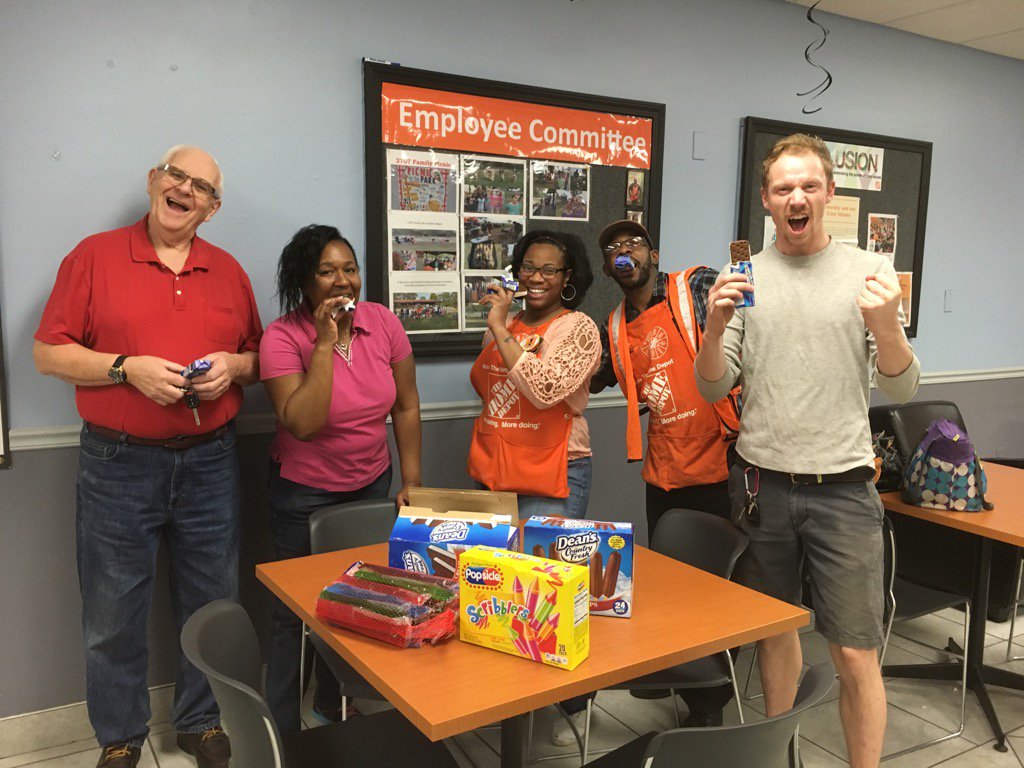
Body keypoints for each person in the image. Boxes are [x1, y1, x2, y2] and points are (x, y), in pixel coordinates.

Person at [694, 133, 920, 768]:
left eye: (809, 186)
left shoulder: (868, 272)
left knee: (854, 651)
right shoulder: (744, 278)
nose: (797, 197)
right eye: (783, 188)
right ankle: (779, 755)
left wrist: (886, 327)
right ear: (766, 202)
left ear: (828, 194)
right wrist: (712, 329)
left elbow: (902, 384)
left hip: (845, 489)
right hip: (764, 487)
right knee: (775, 633)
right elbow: (712, 382)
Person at [33, 145, 262, 768]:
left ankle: (202, 722)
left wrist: (233, 368)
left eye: (201, 187)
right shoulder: (93, 256)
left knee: (212, 600)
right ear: (154, 180)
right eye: (176, 175)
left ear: (211, 209)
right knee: (112, 611)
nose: (185, 189)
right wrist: (122, 368)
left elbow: (260, 357)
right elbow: (48, 353)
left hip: (211, 460)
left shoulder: (231, 272)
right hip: (118, 463)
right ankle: (120, 737)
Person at [259, 224, 422, 733]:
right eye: (326, 271)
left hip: (372, 484)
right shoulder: (283, 336)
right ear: (304, 282)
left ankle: (332, 704)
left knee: (361, 602)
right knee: (294, 613)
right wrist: (326, 344)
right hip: (304, 494)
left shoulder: (384, 323)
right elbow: (303, 423)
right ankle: (279, 725)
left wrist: (411, 479)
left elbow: (407, 404)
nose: (341, 280)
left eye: (348, 269)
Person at [588, 219, 740, 728]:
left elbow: (743, 309)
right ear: (609, 268)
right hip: (666, 469)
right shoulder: (613, 325)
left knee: (719, 586)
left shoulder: (693, 285)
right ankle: (673, 669)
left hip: (723, 461)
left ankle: (710, 702)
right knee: (673, 584)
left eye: (633, 243)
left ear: (654, 253)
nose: (624, 252)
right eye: (614, 249)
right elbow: (599, 375)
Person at [467, 229, 598, 520]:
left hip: (551, 470)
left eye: (549, 270)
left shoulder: (578, 328)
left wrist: (500, 329)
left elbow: (544, 391)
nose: (536, 278)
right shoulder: (504, 323)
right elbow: (486, 388)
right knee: (492, 562)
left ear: (567, 277)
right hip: (494, 465)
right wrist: (500, 326)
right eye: (528, 267)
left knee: (538, 563)